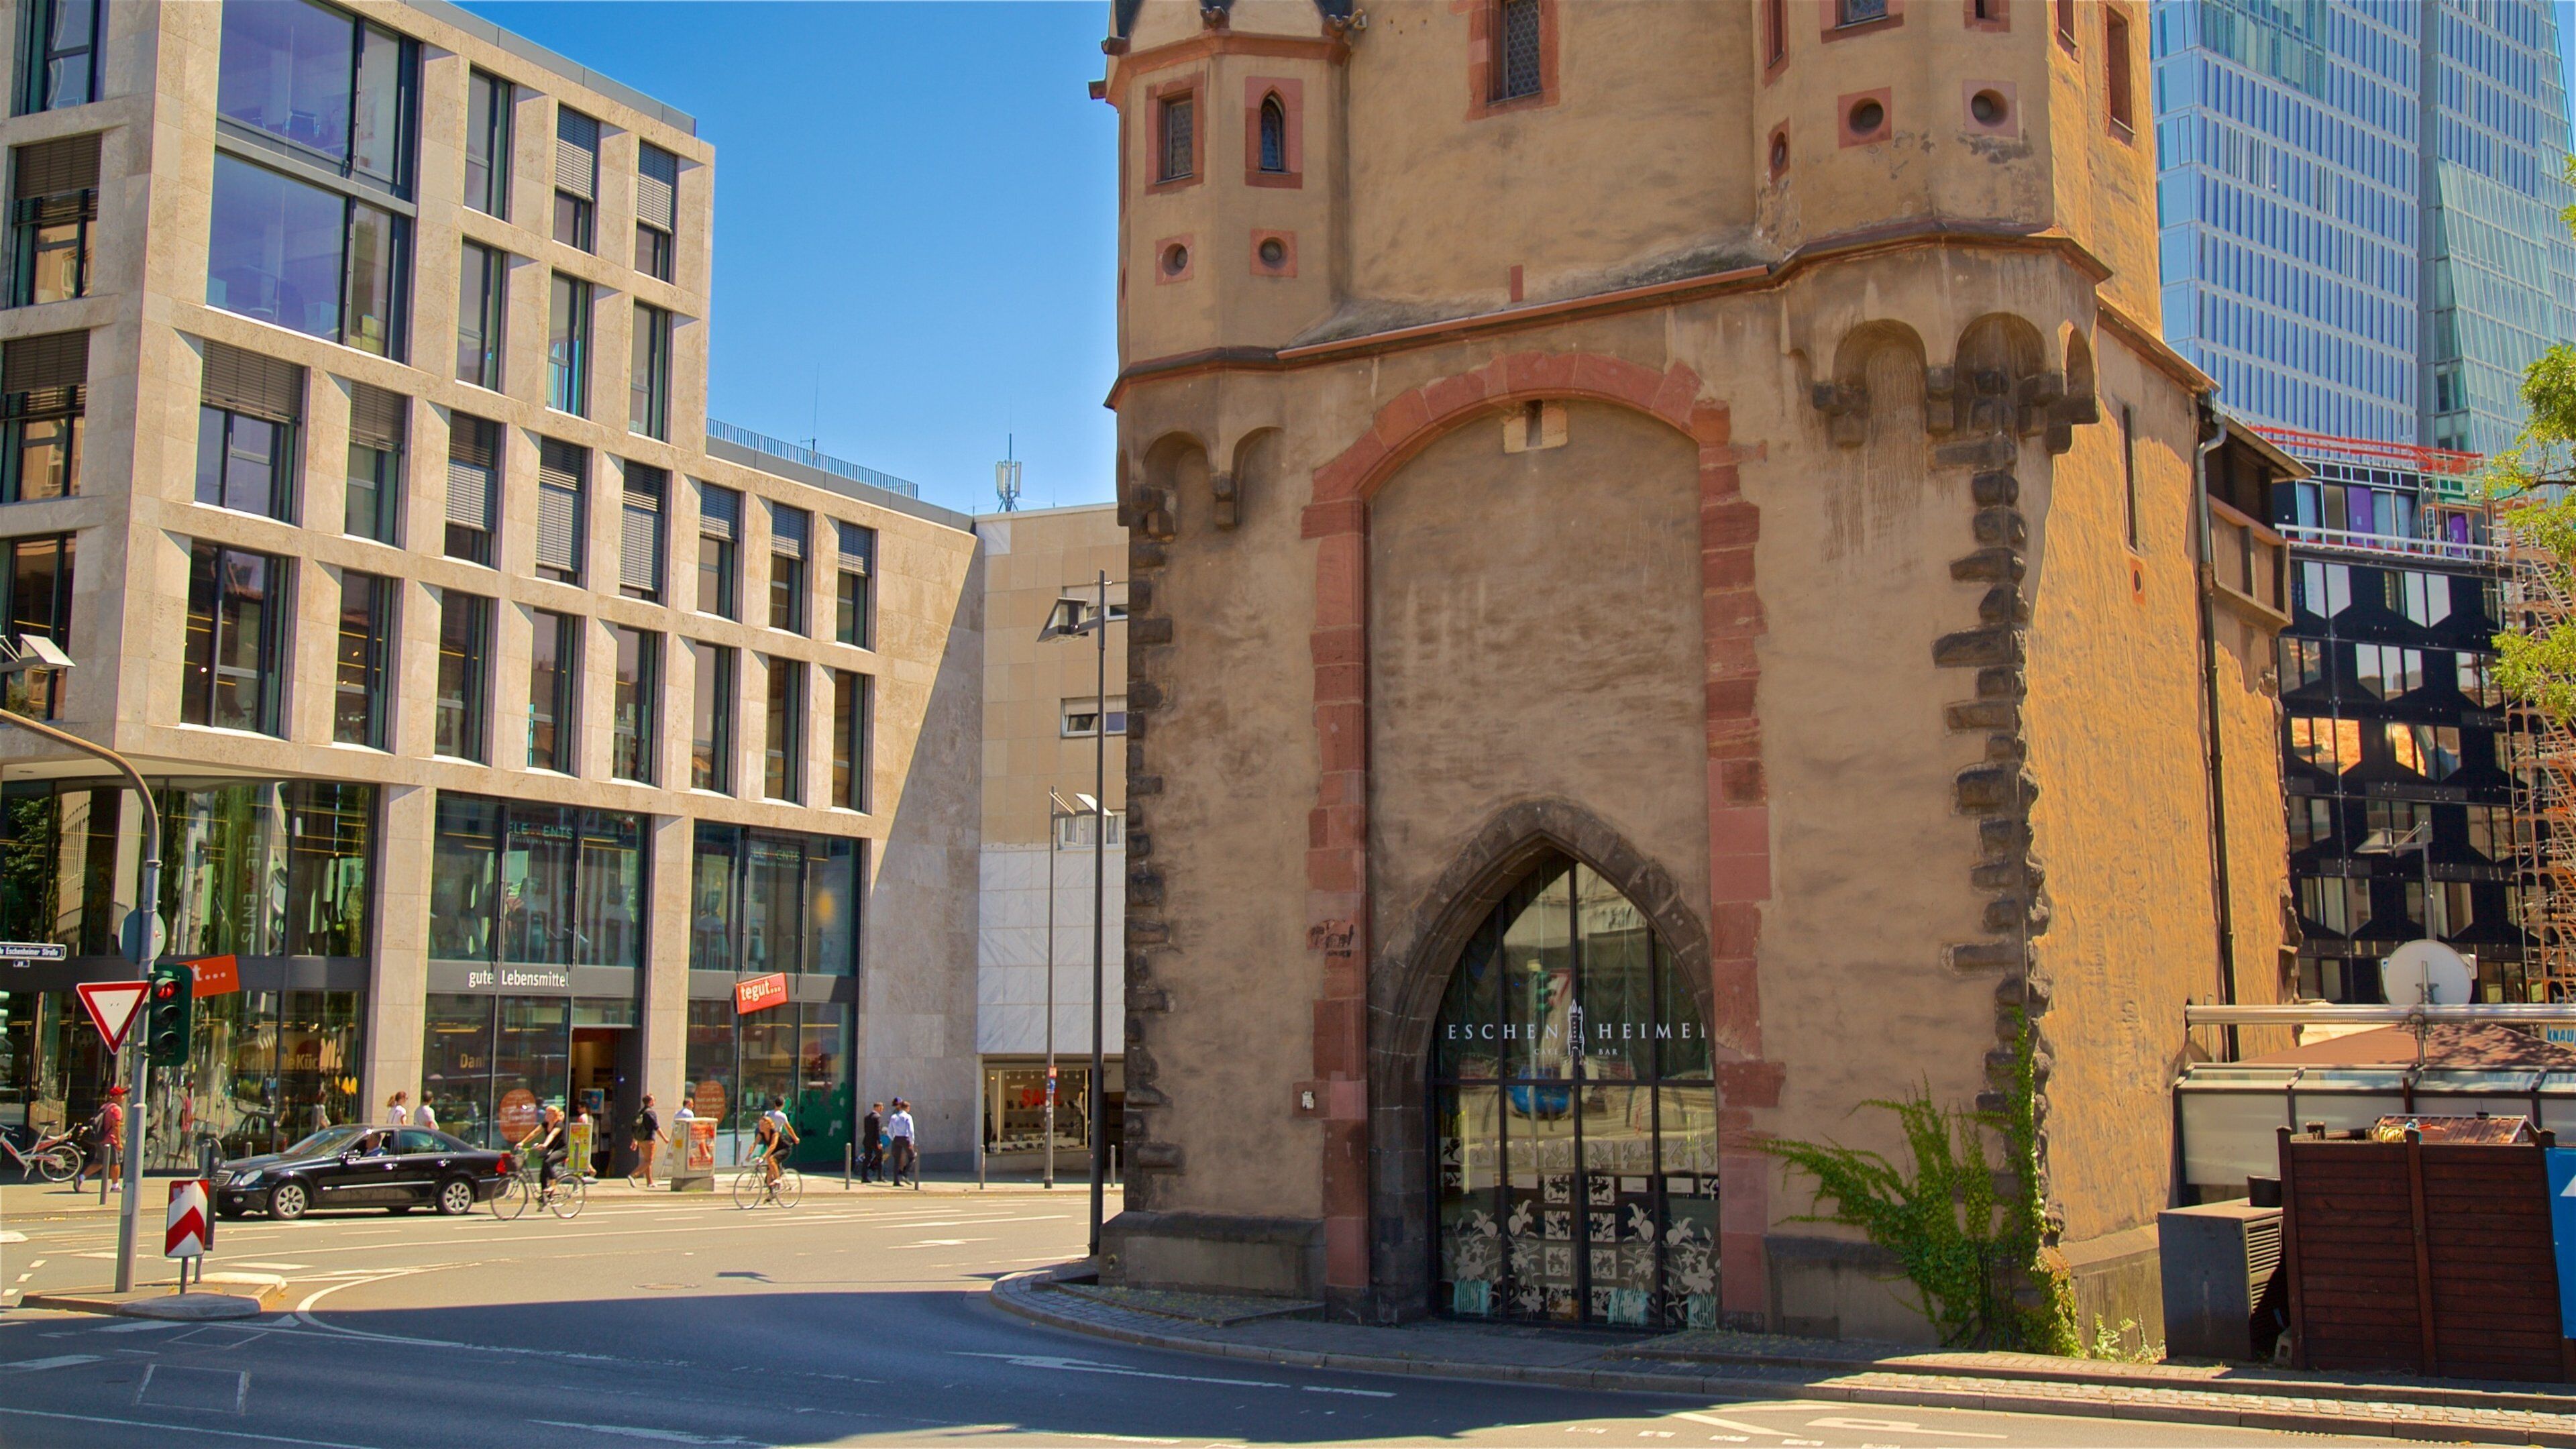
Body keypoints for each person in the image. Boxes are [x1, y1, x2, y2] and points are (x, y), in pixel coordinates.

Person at [76, 1087, 125, 1190]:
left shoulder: (105, 1106)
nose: (123, 1098)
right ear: (116, 1097)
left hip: (100, 1139)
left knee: (99, 1162)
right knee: (116, 1163)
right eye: (121, 1095)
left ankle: (81, 1177)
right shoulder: (116, 1109)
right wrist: (118, 1143)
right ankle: (115, 1186)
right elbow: (116, 1126)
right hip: (111, 1140)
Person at [519, 1105, 568, 1190]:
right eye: (547, 1113)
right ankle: (544, 1197)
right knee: (543, 1174)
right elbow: (534, 1133)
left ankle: (553, 1185)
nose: (547, 1115)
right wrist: (522, 1142)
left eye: (550, 1114)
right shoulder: (545, 1124)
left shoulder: (559, 1125)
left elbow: (552, 1135)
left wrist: (545, 1145)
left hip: (562, 1150)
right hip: (550, 1150)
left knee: (548, 1162)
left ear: (555, 1115)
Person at [758, 1096, 800, 1190]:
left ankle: (776, 1181)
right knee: (773, 1161)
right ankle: (775, 1183)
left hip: (773, 1140)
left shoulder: (768, 1113)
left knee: (772, 1161)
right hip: (778, 1139)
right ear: (783, 1105)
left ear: (775, 1104)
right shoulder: (782, 1115)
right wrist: (795, 1138)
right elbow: (788, 1128)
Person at [631, 1094, 663, 1189]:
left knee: (647, 1161)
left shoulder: (640, 1112)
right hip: (649, 1139)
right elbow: (656, 1127)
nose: (655, 1102)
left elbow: (635, 1127)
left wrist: (635, 1140)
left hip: (641, 1140)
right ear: (650, 1102)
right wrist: (665, 1138)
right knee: (649, 1161)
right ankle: (633, 1175)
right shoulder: (651, 1113)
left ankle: (650, 1182)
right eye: (654, 1100)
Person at [886, 1098, 916, 1189]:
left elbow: (889, 1131)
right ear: (906, 1108)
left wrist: (893, 1138)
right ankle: (905, 1173)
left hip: (897, 1138)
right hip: (905, 1138)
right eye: (909, 1108)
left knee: (896, 1160)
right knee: (912, 1157)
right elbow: (911, 1130)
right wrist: (912, 1142)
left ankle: (896, 1181)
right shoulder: (908, 1117)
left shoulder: (894, 1117)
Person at [859, 1102, 884, 1184]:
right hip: (875, 1141)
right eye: (881, 1107)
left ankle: (864, 1177)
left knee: (867, 1159)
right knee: (880, 1158)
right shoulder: (877, 1117)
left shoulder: (867, 1117)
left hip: (867, 1140)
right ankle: (880, 1177)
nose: (882, 1109)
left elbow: (866, 1130)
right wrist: (879, 1142)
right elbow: (877, 1131)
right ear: (877, 1108)